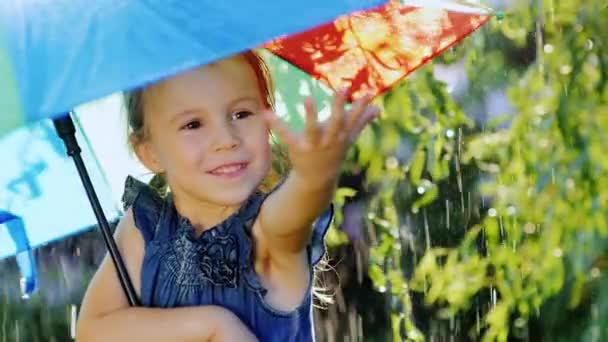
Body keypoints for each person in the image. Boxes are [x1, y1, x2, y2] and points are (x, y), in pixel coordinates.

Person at [76, 50, 379, 341]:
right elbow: (93, 332)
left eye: (241, 113)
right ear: (150, 153)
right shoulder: (144, 231)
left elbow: (294, 213)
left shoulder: (266, 237)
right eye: (193, 124)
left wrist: (312, 177)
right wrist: (212, 325)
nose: (226, 139)